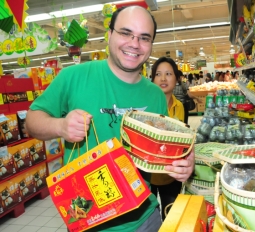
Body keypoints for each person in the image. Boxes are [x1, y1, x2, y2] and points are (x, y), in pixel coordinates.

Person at [25, 6, 194, 232]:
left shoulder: (155, 95)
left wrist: (183, 162)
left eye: (144, 38)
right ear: (110, 34)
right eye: (125, 33)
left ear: (151, 44)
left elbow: (157, 157)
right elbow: (31, 122)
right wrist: (61, 126)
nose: (134, 43)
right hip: (88, 220)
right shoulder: (73, 77)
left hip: (144, 218)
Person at [150, 57, 184, 221]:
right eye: (158, 74)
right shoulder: (145, 108)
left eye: (168, 74)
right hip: (147, 174)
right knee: (149, 219)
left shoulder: (179, 106)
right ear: (153, 79)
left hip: (171, 175)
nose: (163, 79)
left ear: (176, 78)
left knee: (171, 217)